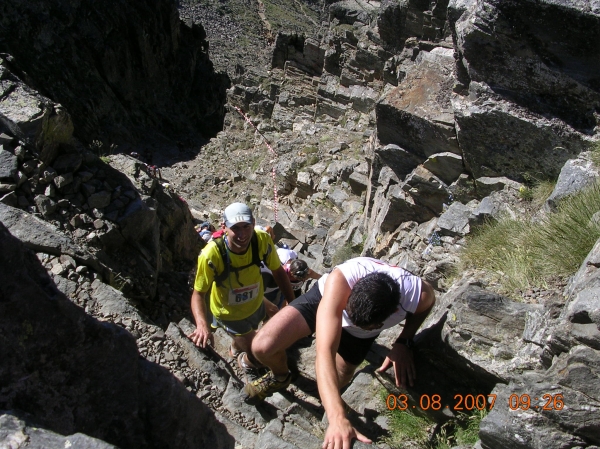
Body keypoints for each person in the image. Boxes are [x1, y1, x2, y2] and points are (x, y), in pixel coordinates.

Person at [245, 257, 436, 448]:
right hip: (327, 299)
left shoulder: (417, 295)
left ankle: (329, 400)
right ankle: (281, 376)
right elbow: (325, 351)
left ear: (393, 312)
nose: (348, 323)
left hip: (359, 333)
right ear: (353, 291)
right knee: (262, 346)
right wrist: (338, 418)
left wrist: (404, 341)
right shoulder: (341, 281)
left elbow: (427, 303)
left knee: (340, 376)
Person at [188, 203, 296, 379]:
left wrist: (292, 304)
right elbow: (198, 293)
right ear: (224, 227)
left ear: (254, 223)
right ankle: (246, 361)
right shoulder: (212, 254)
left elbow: (278, 272)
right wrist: (202, 325)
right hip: (230, 314)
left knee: (274, 313)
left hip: (256, 301)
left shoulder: (261, 239)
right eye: (235, 228)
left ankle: (236, 347)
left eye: (246, 226)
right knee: (260, 352)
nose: (242, 234)